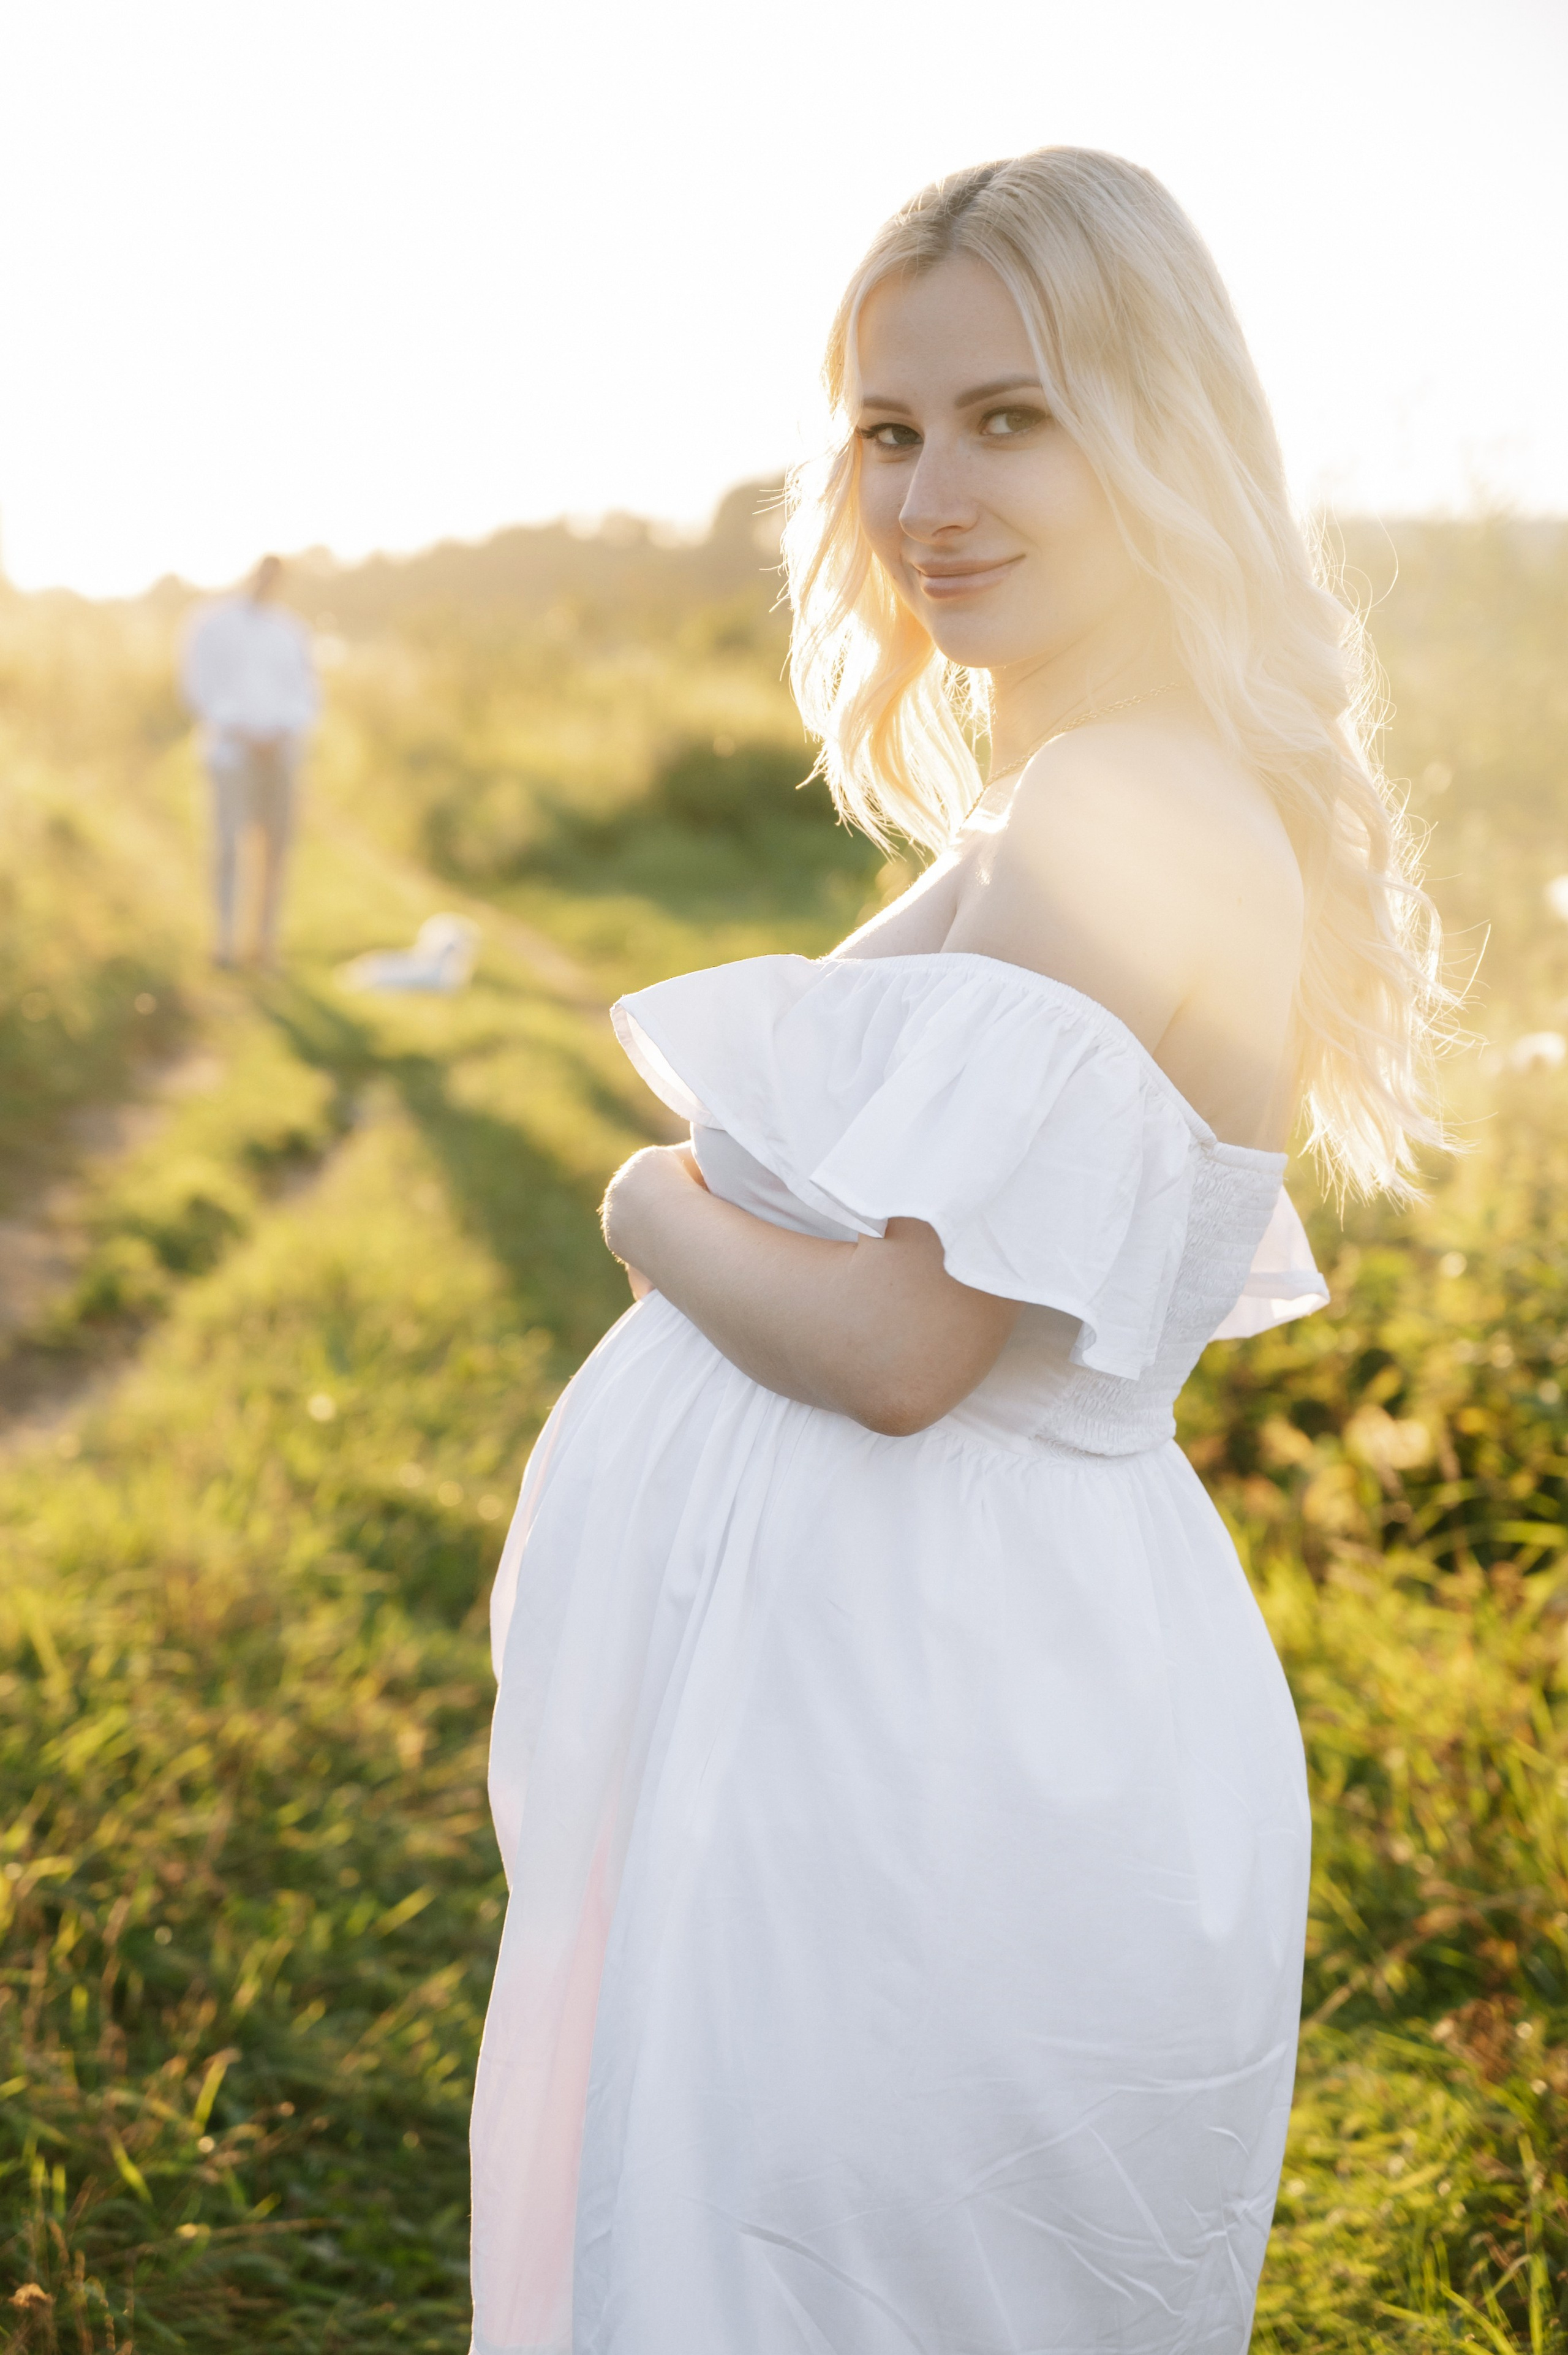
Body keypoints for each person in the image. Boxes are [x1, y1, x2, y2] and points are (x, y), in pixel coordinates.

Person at [469, 149, 1446, 2355]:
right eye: (887, 431)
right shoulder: (1076, 789)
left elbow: (911, 1345)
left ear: (1163, 434)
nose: (931, 495)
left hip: (935, 1737)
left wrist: (637, 1208)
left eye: (1013, 416)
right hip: (888, 1703)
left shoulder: (1123, 810)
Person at [180, 554, 319, 968]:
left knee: (276, 849)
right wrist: (242, 730)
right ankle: (224, 942)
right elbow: (198, 686)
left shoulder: (291, 631)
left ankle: (265, 944)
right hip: (230, 753)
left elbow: (308, 692)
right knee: (228, 845)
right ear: (251, 573)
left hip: (282, 752)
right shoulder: (210, 623)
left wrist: (281, 732)